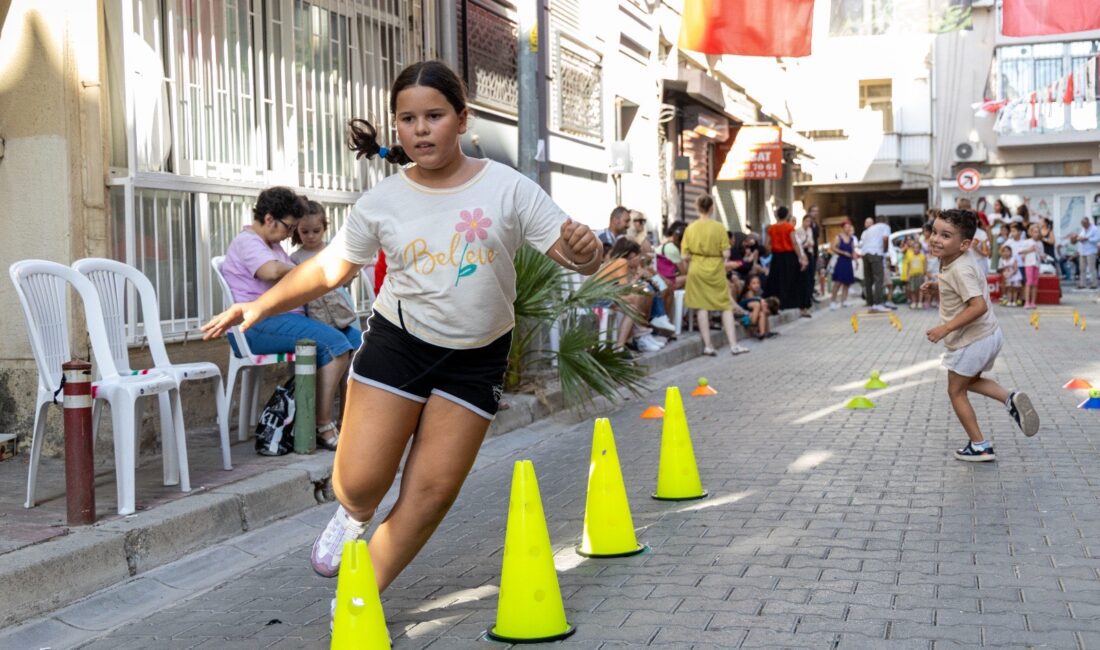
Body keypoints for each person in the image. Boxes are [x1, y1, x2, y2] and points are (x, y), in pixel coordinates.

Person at [201, 61, 603, 589]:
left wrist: (587, 253)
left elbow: (574, 254)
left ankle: (360, 596)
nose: (420, 129)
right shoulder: (383, 201)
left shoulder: (508, 188)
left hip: (476, 357)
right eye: (408, 118)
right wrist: (260, 306)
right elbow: (329, 269)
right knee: (361, 483)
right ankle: (351, 515)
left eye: (433, 116)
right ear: (397, 127)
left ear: (462, 120)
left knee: (431, 492)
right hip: (398, 346)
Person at [219, 187, 357, 450]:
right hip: (258, 326)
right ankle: (322, 424)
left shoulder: (272, 244)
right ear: (270, 219)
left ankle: (347, 419)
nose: (291, 234)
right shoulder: (248, 242)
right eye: (289, 227)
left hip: (283, 320)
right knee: (335, 345)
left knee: (356, 340)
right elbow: (270, 271)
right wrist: (307, 268)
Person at [920, 209, 1039, 462]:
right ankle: (1010, 399)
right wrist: (937, 287)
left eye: (945, 235)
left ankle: (980, 445)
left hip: (971, 340)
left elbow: (978, 305)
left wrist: (946, 328)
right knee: (969, 381)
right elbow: (960, 288)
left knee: (955, 391)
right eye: (934, 232)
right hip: (988, 335)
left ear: (964, 244)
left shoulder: (959, 268)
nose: (935, 239)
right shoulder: (955, 261)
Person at [682, 194, 749, 356]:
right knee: (724, 305)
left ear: (697, 208)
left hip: (697, 268)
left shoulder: (690, 228)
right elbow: (726, 253)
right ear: (712, 208)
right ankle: (733, 345)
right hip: (715, 269)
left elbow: (684, 256)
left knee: (702, 306)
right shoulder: (718, 227)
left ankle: (708, 345)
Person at [764, 206, 807, 313]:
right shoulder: (789, 227)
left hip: (776, 256)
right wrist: (800, 257)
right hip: (789, 256)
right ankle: (789, 302)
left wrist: (770, 251)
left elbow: (767, 244)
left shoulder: (771, 228)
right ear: (787, 215)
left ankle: (776, 302)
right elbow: (794, 243)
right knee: (790, 279)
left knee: (776, 279)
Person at [859, 215, 891, 312]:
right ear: (885, 221)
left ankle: (870, 303)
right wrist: (885, 250)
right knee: (878, 278)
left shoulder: (869, 229)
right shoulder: (885, 227)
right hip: (876, 253)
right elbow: (885, 239)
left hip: (865, 254)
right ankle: (878, 303)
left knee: (868, 279)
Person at [656, 221, 687, 319]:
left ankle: (683, 316)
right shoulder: (673, 249)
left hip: (660, 278)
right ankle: (685, 316)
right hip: (667, 280)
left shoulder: (662, 246)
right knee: (691, 278)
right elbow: (684, 272)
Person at [829, 220, 857, 309]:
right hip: (841, 261)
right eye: (846, 227)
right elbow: (832, 247)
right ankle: (833, 301)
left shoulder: (851, 238)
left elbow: (853, 250)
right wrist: (843, 252)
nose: (847, 228)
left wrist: (855, 258)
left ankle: (844, 301)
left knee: (847, 283)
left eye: (849, 227)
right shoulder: (838, 237)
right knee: (838, 282)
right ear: (842, 228)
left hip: (848, 262)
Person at [738, 273, 774, 340]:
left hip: (752, 313)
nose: (757, 285)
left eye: (758, 283)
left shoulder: (758, 292)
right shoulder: (749, 293)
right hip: (745, 315)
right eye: (754, 283)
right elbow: (753, 305)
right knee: (759, 306)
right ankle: (753, 324)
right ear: (748, 286)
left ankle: (763, 333)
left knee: (762, 313)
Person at [794, 212, 816, 318]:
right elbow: (798, 244)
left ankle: (808, 301)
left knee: (810, 278)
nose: (808, 223)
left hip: (809, 253)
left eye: (810, 222)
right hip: (802, 254)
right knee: (804, 280)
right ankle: (802, 306)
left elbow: (812, 241)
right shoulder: (798, 231)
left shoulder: (810, 230)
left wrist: (810, 243)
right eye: (807, 221)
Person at [1068, 216, 1100, 289]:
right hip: (1082, 251)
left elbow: (1097, 238)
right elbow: (1080, 237)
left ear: (1088, 222)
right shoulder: (1082, 229)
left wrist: (1088, 238)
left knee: (1092, 268)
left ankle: (1094, 284)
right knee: (1082, 269)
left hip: (1091, 251)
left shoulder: (1094, 229)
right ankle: (1082, 284)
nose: (1083, 225)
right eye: (1082, 224)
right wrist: (1078, 238)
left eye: (1085, 224)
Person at [1020, 224, 1043, 309]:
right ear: (1031, 232)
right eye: (1034, 232)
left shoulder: (1040, 243)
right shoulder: (1027, 242)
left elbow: (1041, 254)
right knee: (1029, 283)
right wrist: (1030, 250)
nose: (1036, 234)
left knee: (1035, 284)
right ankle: (1027, 302)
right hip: (1029, 264)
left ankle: (1033, 302)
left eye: (1038, 232)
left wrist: (1044, 256)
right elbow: (1020, 252)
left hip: (1037, 264)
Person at [903, 239, 926, 310]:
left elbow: (925, 266)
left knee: (920, 290)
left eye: (917, 248)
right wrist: (907, 275)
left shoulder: (922, 256)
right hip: (912, 276)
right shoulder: (910, 256)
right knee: (912, 290)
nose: (916, 249)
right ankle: (914, 302)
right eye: (914, 248)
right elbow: (908, 267)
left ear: (920, 248)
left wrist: (924, 274)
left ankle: (920, 302)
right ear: (912, 249)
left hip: (920, 275)